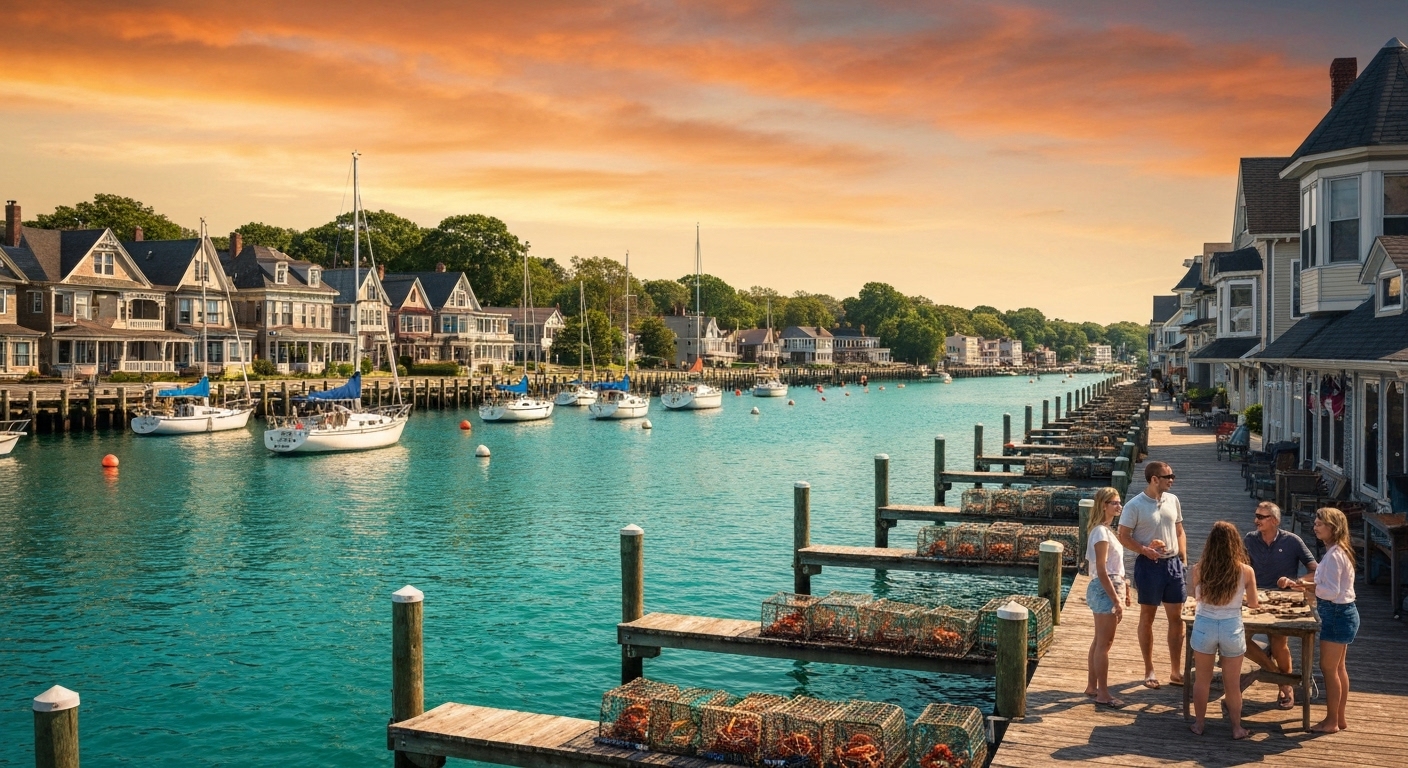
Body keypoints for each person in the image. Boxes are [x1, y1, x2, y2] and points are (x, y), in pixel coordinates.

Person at [1281, 507, 1359, 734]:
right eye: (1315, 522)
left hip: (1336, 613)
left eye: (1319, 524)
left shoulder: (1334, 555)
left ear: (1333, 528)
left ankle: (1331, 721)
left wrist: (1309, 588)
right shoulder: (1338, 550)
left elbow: (1331, 592)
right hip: (1343, 613)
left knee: (1328, 669)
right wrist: (1303, 585)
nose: (1315, 526)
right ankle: (1339, 719)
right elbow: (1330, 586)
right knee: (1339, 668)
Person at [1118, 460, 1188, 689]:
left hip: (1173, 565)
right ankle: (1149, 670)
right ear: (1154, 479)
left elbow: (1179, 530)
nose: (1172, 480)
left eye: (1172, 475)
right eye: (1168, 476)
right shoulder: (1134, 505)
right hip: (1149, 566)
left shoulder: (1173, 500)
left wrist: (1183, 559)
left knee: (1177, 620)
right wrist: (1144, 550)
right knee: (1147, 618)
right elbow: (1123, 536)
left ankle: (1176, 672)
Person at [1241, 501, 1317, 708]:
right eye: (1256, 515)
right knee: (1239, 640)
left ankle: (1286, 687)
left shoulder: (1292, 541)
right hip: (1253, 598)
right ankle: (1279, 677)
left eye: (1260, 517)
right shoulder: (1249, 539)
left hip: (1282, 599)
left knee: (1278, 644)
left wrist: (1297, 583)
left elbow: (1315, 570)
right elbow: (1238, 565)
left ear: (1274, 521)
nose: (1255, 520)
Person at [1189, 521, 1260, 738]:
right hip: (1232, 627)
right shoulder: (1246, 571)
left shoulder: (1198, 569)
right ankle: (1237, 728)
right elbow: (1254, 603)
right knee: (1232, 684)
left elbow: (1193, 595)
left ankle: (1199, 724)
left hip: (1205, 625)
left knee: (1202, 680)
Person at [1084, 487, 1131, 707]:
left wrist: (1126, 588)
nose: (1119, 506)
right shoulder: (1101, 532)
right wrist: (1116, 600)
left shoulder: (1104, 530)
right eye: (1115, 503)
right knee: (1105, 643)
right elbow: (1102, 570)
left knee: (1099, 641)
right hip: (1106, 588)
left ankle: (1092, 686)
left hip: (1108, 585)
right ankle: (1103, 693)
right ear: (1103, 505)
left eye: (1120, 502)